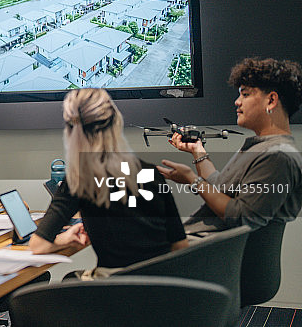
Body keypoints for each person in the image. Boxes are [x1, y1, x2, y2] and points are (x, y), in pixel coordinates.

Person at [29, 88, 187, 276]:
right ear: (116, 123)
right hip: (164, 290)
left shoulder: (79, 181)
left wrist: (64, 240)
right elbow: (180, 245)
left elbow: (37, 246)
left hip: (114, 294)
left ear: (71, 131)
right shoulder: (150, 173)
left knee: (68, 281)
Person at [159, 57, 302, 235]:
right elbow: (220, 188)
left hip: (207, 255)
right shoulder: (263, 148)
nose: (237, 102)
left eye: (245, 94)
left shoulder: (277, 156)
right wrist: (198, 151)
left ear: (271, 100)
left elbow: (242, 217)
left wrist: (192, 180)